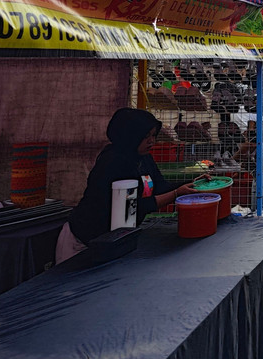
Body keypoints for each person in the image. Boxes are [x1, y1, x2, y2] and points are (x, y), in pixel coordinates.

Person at [56, 108, 202, 264]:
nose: (152, 141)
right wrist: (175, 194)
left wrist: (192, 184)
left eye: (153, 135)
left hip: (115, 240)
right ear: (130, 136)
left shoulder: (143, 158)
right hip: (84, 242)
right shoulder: (112, 162)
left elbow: (159, 187)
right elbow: (132, 207)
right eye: (146, 137)